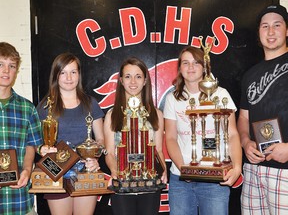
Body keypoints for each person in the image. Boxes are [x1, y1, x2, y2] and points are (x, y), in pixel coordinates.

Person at [163, 46, 242, 215]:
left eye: (196, 63)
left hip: (214, 180)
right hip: (180, 179)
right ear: (179, 68)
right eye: (185, 62)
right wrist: (184, 168)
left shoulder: (221, 95)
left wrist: (237, 167)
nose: (191, 67)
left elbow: (233, 134)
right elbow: (170, 137)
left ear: (205, 66)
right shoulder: (172, 99)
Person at [37, 52, 104, 215]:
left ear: (79, 75)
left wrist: (95, 157)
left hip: (85, 171)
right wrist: (42, 150)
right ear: (56, 75)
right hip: (56, 171)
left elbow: (101, 138)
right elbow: (36, 142)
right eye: (63, 72)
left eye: (73, 72)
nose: (68, 77)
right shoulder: (45, 107)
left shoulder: (91, 104)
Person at [237, 4, 288, 214]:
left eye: (277, 25)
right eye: (265, 26)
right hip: (253, 169)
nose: (270, 31)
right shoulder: (250, 75)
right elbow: (243, 117)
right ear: (259, 33)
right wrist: (245, 141)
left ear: (287, 30)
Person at [104, 57, 167, 215]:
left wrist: (163, 170)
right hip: (123, 185)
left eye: (138, 76)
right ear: (121, 80)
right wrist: (116, 173)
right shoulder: (112, 115)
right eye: (128, 76)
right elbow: (110, 152)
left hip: (150, 184)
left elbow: (158, 150)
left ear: (145, 80)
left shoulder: (156, 114)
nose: (133, 81)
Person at [0, 42, 43, 214]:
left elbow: (31, 145)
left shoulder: (27, 108)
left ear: (16, 72)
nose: (6, 71)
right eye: (1, 65)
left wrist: (26, 169)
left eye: (11, 66)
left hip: (18, 201)